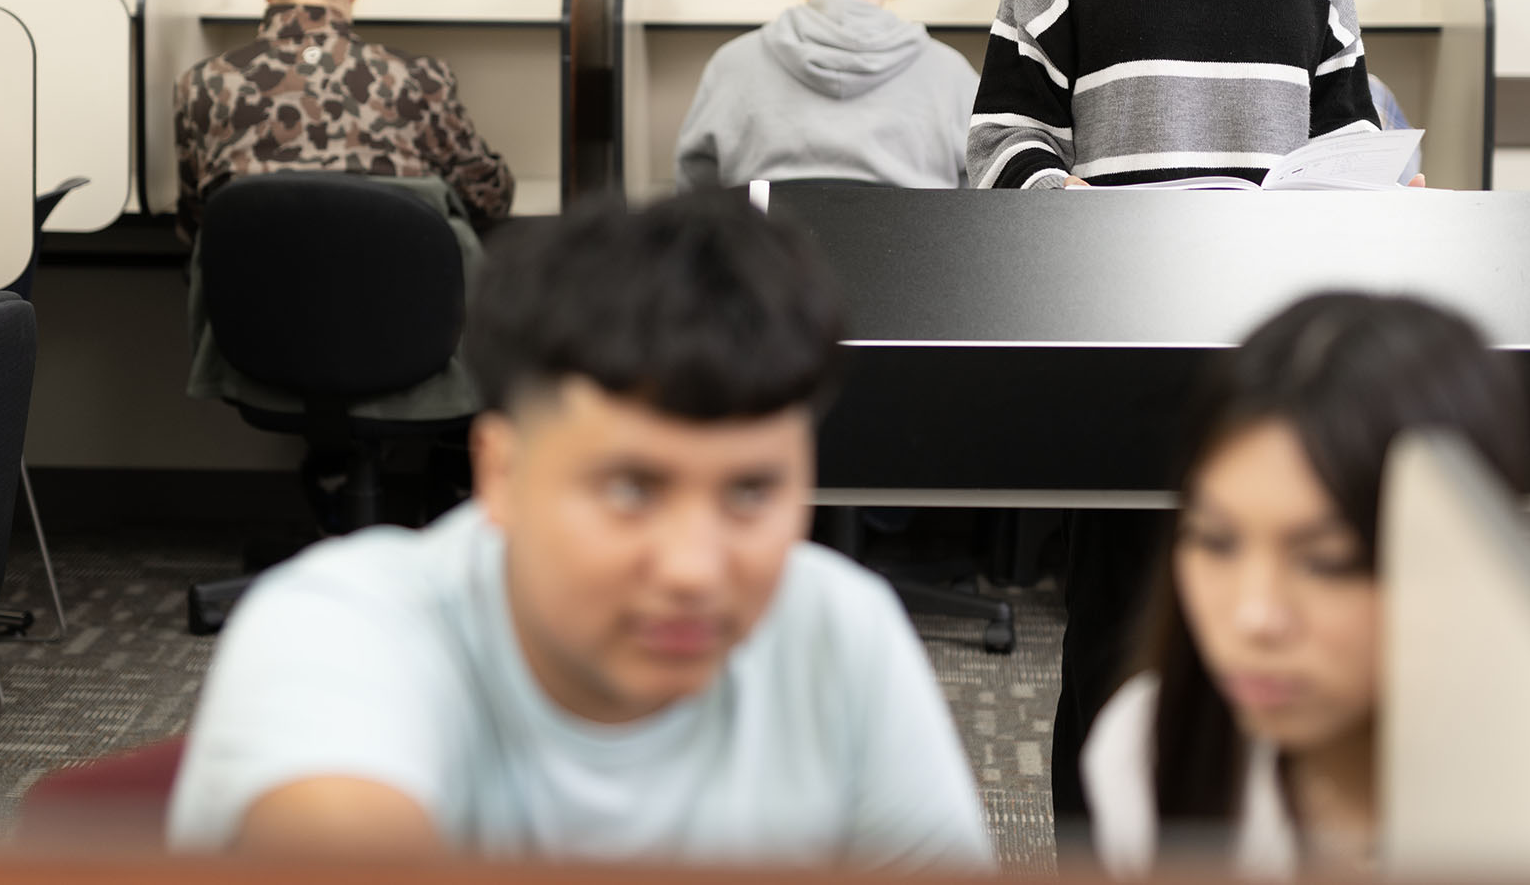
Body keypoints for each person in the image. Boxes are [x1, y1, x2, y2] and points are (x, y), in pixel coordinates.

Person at [165, 193, 993, 868]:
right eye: (630, 489)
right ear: (501, 475)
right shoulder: (339, 627)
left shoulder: (839, 629)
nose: (693, 569)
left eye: (751, 491)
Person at [964, 0, 1387, 829]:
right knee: (1117, 637)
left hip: (1270, 338)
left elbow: (1347, 124)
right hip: (1126, 329)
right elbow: (1001, 128)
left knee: (1271, 636)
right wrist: (1051, 192)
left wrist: (1376, 176)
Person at [1082, 292, 1530, 883]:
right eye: (1215, 541)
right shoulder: (1150, 750)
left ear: (1459, 546)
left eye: (1327, 561)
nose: (1253, 616)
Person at [173, 0, 514, 241]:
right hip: (398, 293)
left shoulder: (203, 84)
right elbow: (489, 199)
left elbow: (196, 223)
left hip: (250, 293)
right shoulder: (421, 79)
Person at [675, 0, 976, 189]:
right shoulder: (952, 76)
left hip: (765, 237)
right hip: (916, 238)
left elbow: (694, 195)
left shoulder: (731, 66)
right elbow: (982, 206)